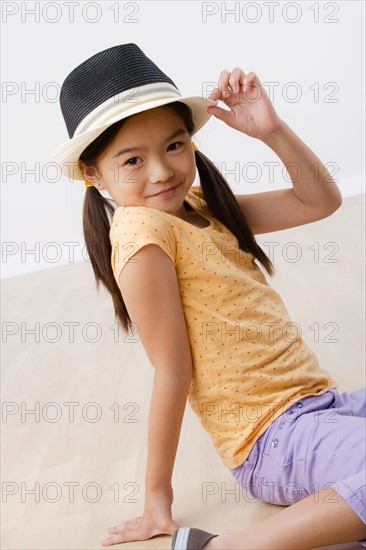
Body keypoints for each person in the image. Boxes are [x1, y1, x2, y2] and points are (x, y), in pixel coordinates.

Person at [51, 43, 366, 550]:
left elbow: (320, 200)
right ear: (92, 173)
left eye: (174, 146)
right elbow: (172, 370)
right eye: (133, 159)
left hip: (318, 407)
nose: (162, 171)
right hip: (271, 443)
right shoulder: (141, 234)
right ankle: (226, 546)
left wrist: (273, 132)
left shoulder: (199, 205)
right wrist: (158, 499)